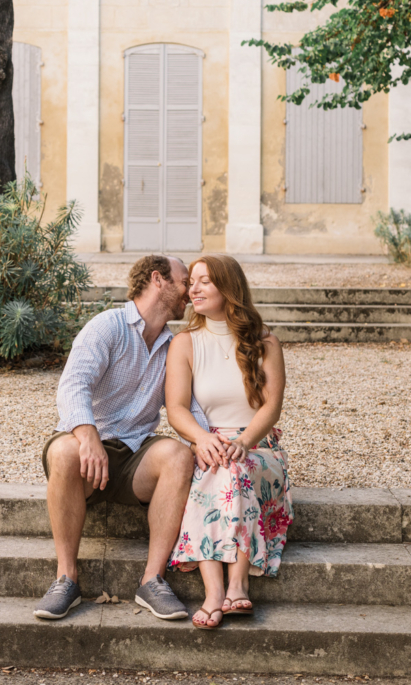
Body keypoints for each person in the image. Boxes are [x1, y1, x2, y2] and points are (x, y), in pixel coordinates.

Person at [33, 254, 202, 622]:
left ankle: (152, 581)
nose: (190, 291)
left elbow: (190, 405)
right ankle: (66, 579)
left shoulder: (175, 346)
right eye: (185, 281)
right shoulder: (107, 326)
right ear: (158, 279)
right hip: (86, 454)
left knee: (178, 455)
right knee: (63, 452)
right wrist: (88, 434)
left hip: (136, 457)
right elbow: (73, 384)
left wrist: (216, 441)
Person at [164, 254, 292, 629]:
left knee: (231, 467)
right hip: (207, 443)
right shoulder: (185, 344)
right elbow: (176, 408)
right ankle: (222, 591)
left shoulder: (265, 343)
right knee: (216, 467)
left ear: (229, 288)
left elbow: (272, 407)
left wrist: (246, 441)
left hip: (259, 449)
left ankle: (232, 585)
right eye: (192, 281)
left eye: (206, 281)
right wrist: (203, 439)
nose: (194, 288)